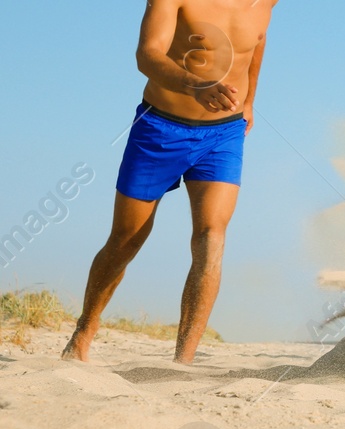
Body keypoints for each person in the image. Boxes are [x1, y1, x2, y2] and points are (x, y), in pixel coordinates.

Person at [60, 0, 278, 364]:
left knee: (211, 237)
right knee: (126, 240)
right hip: (159, 128)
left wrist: (251, 100)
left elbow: (257, 41)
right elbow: (147, 55)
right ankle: (86, 328)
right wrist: (195, 84)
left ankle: (183, 361)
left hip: (224, 134)